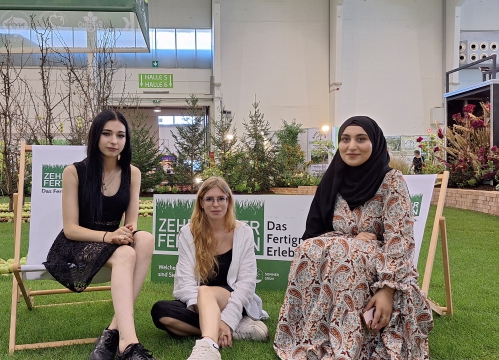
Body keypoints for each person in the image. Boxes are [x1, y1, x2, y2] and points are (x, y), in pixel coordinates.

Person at [273, 116, 433, 359]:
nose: (351, 146)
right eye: (345, 139)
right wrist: (351, 239)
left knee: (344, 252)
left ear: (375, 143)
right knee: (307, 249)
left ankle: (349, 343)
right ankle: (308, 335)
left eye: (361, 139)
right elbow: (316, 230)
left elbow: (400, 239)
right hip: (340, 254)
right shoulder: (333, 179)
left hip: (379, 266)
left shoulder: (391, 181)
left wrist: (387, 290)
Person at [43, 109, 155, 360]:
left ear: (127, 141)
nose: (114, 141)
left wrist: (126, 233)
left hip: (114, 239)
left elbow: (132, 221)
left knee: (146, 239)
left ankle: (114, 331)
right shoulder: (74, 172)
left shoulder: (132, 173)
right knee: (125, 253)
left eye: (120, 135)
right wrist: (109, 238)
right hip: (78, 242)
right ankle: (129, 345)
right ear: (96, 136)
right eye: (107, 134)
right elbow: (71, 229)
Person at [150, 177, 269, 360]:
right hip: (199, 303)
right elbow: (184, 283)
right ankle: (233, 329)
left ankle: (208, 346)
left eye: (221, 198)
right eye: (209, 199)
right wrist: (211, 314)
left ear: (228, 201)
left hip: (233, 299)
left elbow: (247, 284)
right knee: (161, 312)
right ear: (201, 203)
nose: (216, 204)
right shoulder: (188, 232)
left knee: (205, 291)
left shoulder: (243, 232)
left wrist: (228, 316)